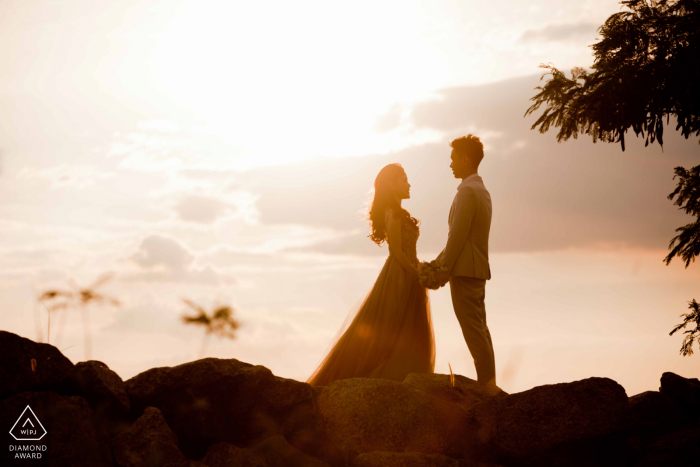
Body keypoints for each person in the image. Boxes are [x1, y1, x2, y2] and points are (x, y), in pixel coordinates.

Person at [307, 163, 435, 386]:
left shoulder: (399, 213)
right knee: (393, 327)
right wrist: (416, 272)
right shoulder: (393, 214)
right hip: (400, 275)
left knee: (408, 328)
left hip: (409, 271)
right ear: (392, 184)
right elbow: (396, 251)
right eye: (404, 179)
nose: (409, 184)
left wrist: (419, 270)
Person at [435, 134, 499, 391]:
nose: (450, 164)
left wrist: (441, 269)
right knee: (480, 327)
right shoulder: (481, 190)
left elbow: (457, 237)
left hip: (464, 270)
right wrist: (438, 261)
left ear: (465, 159)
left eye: (453, 159)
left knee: (473, 328)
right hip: (477, 268)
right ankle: (489, 381)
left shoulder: (467, 192)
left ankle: (487, 385)